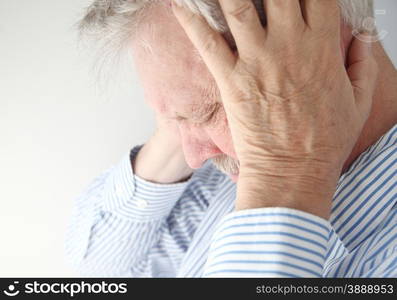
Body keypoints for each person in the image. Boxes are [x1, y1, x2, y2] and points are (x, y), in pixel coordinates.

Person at [65, 0, 397, 277]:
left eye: (207, 113)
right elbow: (99, 272)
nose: (193, 158)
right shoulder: (224, 181)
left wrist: (284, 181)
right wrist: (178, 111)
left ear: (317, 51)